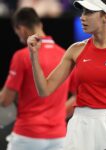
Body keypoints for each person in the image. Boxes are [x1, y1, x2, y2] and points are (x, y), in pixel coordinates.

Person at [27, 0, 106, 149]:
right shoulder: (75, 50)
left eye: (89, 12)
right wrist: (34, 57)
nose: (82, 17)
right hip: (80, 126)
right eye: (83, 12)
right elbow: (44, 89)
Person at [0, 7, 76, 150]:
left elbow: (5, 100)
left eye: (17, 34)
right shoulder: (65, 55)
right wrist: (58, 114)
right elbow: (79, 96)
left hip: (27, 136)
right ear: (40, 25)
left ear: (21, 29)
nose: (19, 38)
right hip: (59, 137)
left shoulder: (22, 56)